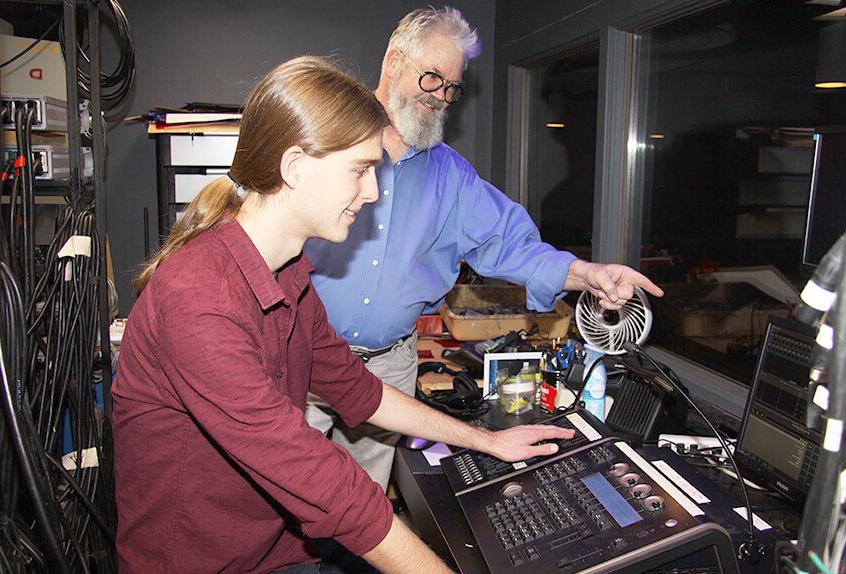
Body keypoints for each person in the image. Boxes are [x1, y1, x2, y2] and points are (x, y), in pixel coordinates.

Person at [111, 56, 574, 574]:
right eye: (360, 170)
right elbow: (313, 475)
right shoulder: (200, 298)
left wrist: (486, 441)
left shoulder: (290, 275)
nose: (373, 193)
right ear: (294, 168)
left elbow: (359, 390)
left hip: (278, 549)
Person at [303, 7, 665, 491]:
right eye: (432, 78)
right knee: (283, 506)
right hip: (303, 358)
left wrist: (589, 274)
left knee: (361, 510)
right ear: (393, 61)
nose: (441, 98)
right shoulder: (324, 140)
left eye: (451, 88)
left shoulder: (451, 176)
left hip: (390, 365)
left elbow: (512, 245)